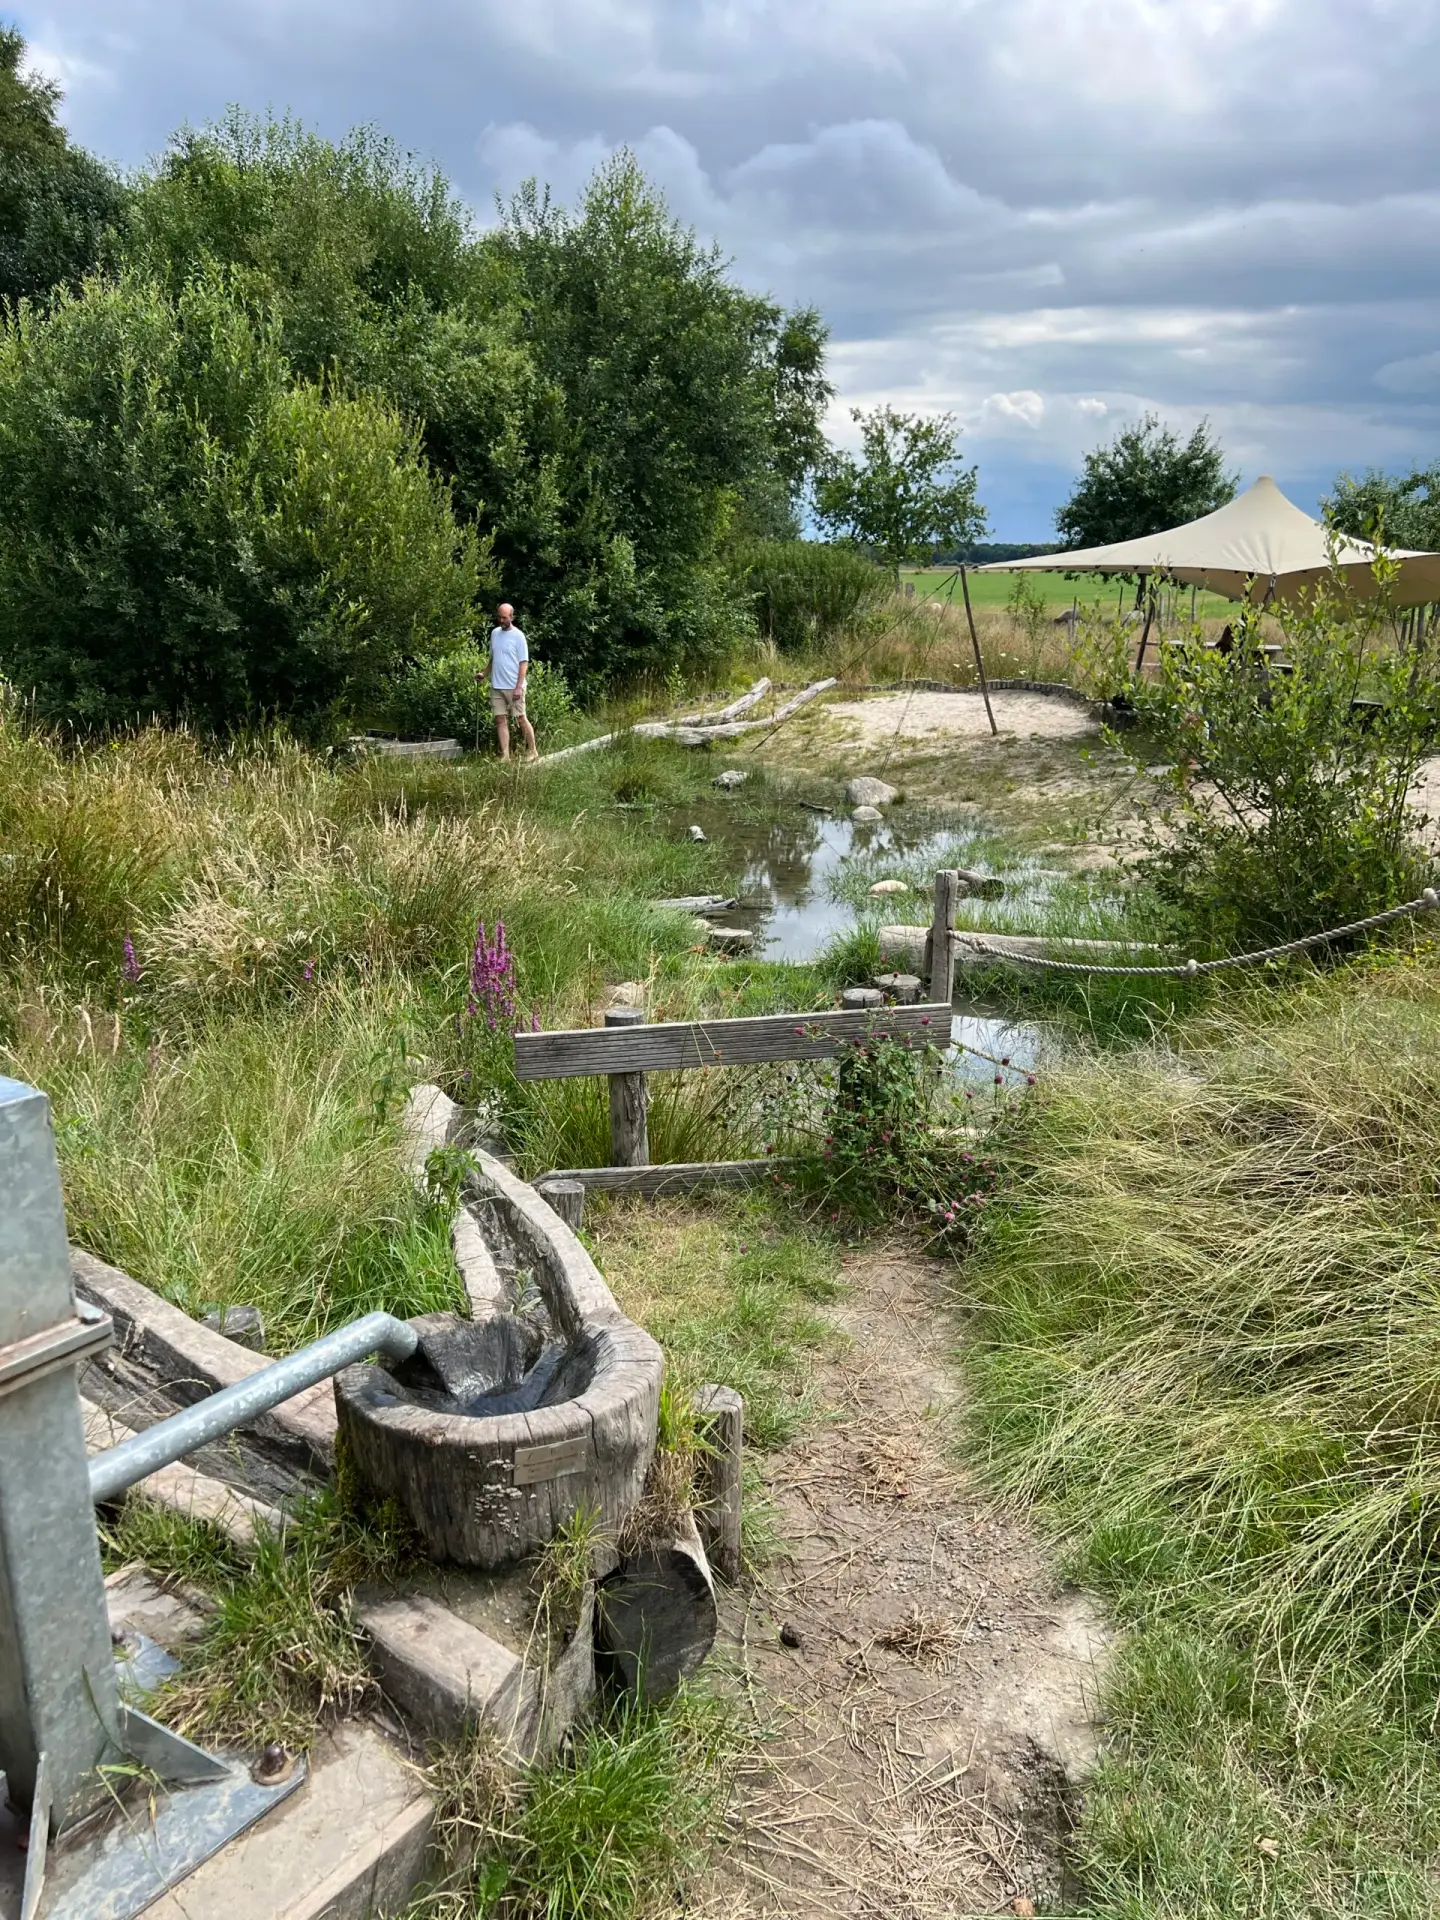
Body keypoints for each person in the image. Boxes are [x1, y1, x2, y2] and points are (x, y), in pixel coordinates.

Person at [478, 603, 538, 762]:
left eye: (504, 617)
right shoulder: (494, 634)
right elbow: (493, 658)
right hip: (497, 686)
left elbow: (523, 663)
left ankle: (533, 751)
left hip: (514, 686)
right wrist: (484, 673)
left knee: (520, 718)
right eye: (499, 616)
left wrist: (519, 687)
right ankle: (505, 755)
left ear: (512, 617)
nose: (501, 620)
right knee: (500, 719)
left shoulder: (519, 636)